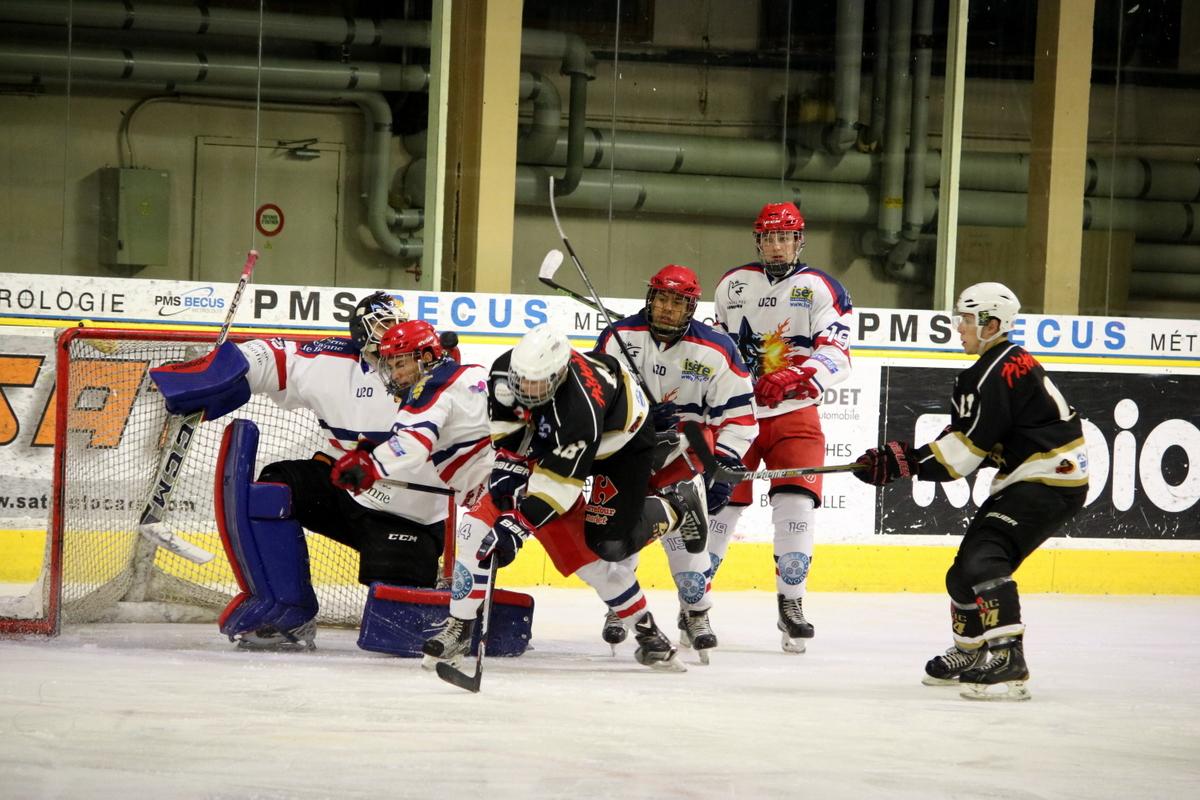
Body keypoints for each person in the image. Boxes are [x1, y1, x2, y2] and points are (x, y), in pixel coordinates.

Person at [150, 292, 448, 650]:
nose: (393, 333)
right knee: (275, 487)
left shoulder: (444, 378)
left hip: (406, 515)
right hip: (345, 486)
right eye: (384, 324)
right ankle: (285, 610)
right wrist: (215, 377)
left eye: (397, 323)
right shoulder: (332, 361)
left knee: (398, 631)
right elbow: (270, 356)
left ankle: (450, 601)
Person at [421, 324, 710, 670]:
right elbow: (509, 433)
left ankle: (677, 504)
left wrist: (520, 523)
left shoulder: (578, 411)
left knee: (606, 545)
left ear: (558, 376)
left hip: (619, 443)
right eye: (522, 381)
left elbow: (559, 483)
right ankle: (460, 626)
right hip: (557, 441)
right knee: (473, 530)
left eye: (538, 384)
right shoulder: (503, 372)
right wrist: (509, 470)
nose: (526, 390)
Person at [851, 282, 1089, 701]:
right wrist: (906, 458)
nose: (958, 327)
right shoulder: (1000, 364)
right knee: (961, 576)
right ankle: (971, 651)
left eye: (965, 319)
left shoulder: (989, 374)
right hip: (1034, 478)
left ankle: (1008, 660)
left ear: (991, 324)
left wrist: (903, 463)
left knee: (984, 560)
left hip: (1047, 480)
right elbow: (969, 434)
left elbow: (963, 456)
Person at [595, 264, 757, 661]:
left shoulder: (717, 349)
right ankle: (619, 605)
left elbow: (739, 417)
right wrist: (640, 418)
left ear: (691, 307)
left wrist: (722, 463)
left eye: (678, 302)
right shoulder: (619, 338)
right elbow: (596, 399)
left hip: (684, 457)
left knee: (688, 545)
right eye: (662, 299)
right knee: (619, 536)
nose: (668, 309)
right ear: (650, 300)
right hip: (626, 454)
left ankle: (695, 613)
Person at [712, 201, 853, 654]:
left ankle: (791, 604)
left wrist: (796, 374)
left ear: (799, 239)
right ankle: (696, 606)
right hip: (738, 418)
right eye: (768, 237)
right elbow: (715, 349)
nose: (776, 245)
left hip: (795, 417)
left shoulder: (821, 288)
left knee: (796, 507)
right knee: (720, 511)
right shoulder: (732, 285)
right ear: (758, 240)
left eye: (785, 237)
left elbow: (838, 352)